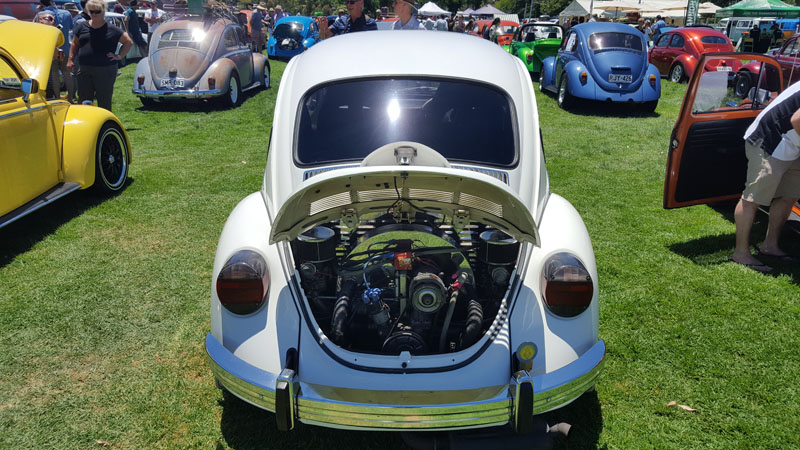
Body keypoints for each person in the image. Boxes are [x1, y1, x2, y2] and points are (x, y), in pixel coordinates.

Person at [730, 82, 800, 272]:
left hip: (793, 144)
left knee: (789, 196)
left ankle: (770, 246)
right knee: (752, 199)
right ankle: (740, 253)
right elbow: (797, 120)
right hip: (769, 140)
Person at [68, 0, 132, 111]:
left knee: (104, 100)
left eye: (97, 11)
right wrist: (70, 59)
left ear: (103, 11)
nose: (94, 14)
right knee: (84, 100)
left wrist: (119, 56)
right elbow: (75, 43)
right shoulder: (82, 26)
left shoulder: (112, 29)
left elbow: (128, 42)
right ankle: (86, 120)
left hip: (105, 70)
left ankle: (104, 121)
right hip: (84, 69)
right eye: (91, 11)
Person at [36, 0, 74, 102]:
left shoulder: (40, 15)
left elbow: (35, 28)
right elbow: (71, 27)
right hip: (65, 48)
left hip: (51, 49)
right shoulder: (66, 13)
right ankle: (71, 97)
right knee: (67, 74)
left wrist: (39, 12)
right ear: (52, 1)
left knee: (54, 74)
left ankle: (57, 97)